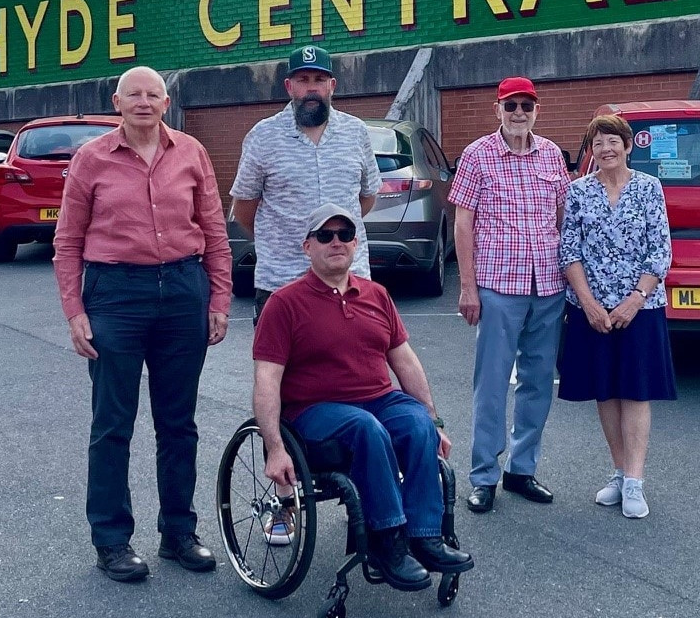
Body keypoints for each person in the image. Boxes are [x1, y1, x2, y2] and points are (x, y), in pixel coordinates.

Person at [53, 65, 233, 583]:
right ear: (117, 101)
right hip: (116, 296)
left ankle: (179, 532)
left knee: (178, 423)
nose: (144, 102)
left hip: (182, 291)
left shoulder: (192, 153)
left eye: (153, 94)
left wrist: (218, 297)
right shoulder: (91, 159)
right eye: (134, 94)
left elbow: (215, 233)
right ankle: (111, 540)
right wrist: (75, 312)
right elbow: (67, 242)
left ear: (166, 103)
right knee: (113, 423)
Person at [253, 204, 474, 591]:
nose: (336, 242)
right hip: (314, 412)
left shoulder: (376, 295)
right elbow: (267, 380)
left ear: (356, 243)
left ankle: (424, 536)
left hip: (377, 399)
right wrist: (274, 447)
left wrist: (434, 421)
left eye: (344, 235)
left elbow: (405, 362)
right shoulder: (284, 304)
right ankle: (386, 541)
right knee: (366, 428)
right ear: (307, 246)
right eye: (325, 236)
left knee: (416, 421)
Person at [450, 76, 569, 513]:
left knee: (538, 382)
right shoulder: (477, 155)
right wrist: (467, 287)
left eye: (527, 106)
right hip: (499, 286)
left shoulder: (552, 154)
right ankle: (484, 476)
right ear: (496, 109)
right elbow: (463, 223)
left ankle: (522, 470)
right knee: (492, 383)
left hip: (548, 287)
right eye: (511, 105)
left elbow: (562, 218)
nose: (519, 113)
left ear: (537, 110)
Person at [558, 114, 676, 519]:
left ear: (628, 146)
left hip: (640, 307)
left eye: (613, 141)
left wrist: (635, 299)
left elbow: (660, 251)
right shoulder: (577, 192)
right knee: (605, 390)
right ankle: (620, 472)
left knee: (635, 390)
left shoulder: (649, 188)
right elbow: (569, 251)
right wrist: (589, 303)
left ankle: (636, 482)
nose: (605, 149)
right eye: (598, 142)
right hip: (591, 309)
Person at [231, 45, 381, 319]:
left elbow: (366, 198)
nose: (311, 88)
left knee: (352, 361)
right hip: (282, 282)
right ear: (289, 86)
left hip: (349, 280)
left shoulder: (356, 132)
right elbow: (243, 209)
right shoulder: (263, 136)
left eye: (319, 80)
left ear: (332, 85)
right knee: (280, 363)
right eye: (303, 80)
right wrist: (282, 239)